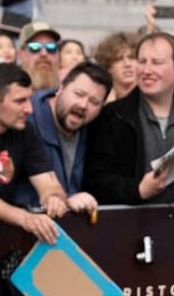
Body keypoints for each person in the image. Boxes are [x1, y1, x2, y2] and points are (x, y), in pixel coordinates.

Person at [0, 63, 89, 244]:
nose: (29, 109)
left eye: (30, 99)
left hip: (0, 233)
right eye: (20, 101)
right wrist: (25, 219)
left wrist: (54, 198)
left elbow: (48, 182)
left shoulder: (26, 130)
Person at [82, 32, 174, 205]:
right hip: (131, 224)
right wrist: (137, 190)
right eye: (141, 62)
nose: (146, 70)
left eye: (157, 63)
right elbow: (95, 180)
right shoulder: (112, 117)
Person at [15, 60, 110, 209]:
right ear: (60, 88)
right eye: (79, 94)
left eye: (94, 102)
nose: (83, 105)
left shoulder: (96, 129)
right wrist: (65, 200)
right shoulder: (25, 119)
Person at [92, 31, 136, 102]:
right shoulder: (99, 102)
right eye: (119, 59)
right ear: (108, 66)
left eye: (132, 57)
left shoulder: (154, 101)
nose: (127, 64)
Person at [16, 21, 60, 92]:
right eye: (35, 47)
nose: (44, 53)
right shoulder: (9, 96)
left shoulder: (66, 95)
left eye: (51, 47)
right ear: (21, 55)